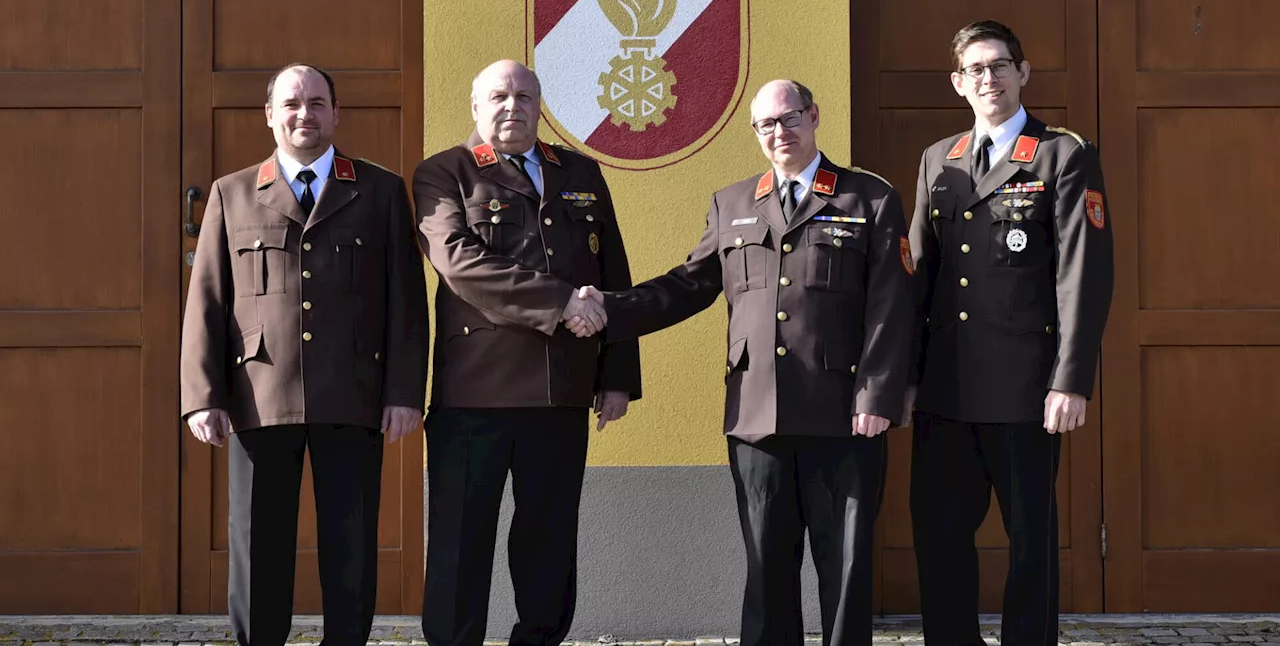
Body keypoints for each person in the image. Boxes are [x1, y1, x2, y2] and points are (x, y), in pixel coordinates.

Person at [578, 79, 913, 646]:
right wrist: (609, 309)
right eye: (766, 125)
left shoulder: (868, 199)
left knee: (846, 569)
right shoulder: (732, 202)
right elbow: (689, 286)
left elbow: (891, 306)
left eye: (789, 119)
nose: (779, 133)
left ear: (813, 115)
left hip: (843, 417)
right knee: (765, 566)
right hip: (756, 418)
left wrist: (877, 397)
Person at [180, 63, 429, 646]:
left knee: (351, 546)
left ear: (336, 113)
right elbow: (208, 301)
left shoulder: (381, 190)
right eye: (291, 104)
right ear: (269, 114)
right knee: (259, 547)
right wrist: (202, 398)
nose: (304, 115)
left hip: (354, 394)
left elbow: (406, 305)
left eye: (317, 103)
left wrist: (403, 394)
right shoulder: (233, 192)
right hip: (259, 396)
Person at [412, 59, 641, 646]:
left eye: (524, 96)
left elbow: (611, 268)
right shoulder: (445, 173)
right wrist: (562, 302)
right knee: (462, 545)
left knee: (548, 545)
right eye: (498, 96)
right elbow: (462, 264)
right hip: (475, 396)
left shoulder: (582, 171)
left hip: (563, 389)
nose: (512, 106)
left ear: (541, 107)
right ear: (475, 106)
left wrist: (616, 375)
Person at [906, 20, 1114, 646]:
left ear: (1023, 74)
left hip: (1027, 392)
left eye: (999, 66)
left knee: (1031, 542)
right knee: (939, 535)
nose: (988, 78)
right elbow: (917, 276)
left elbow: (1085, 275)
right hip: (945, 390)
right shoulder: (937, 160)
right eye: (975, 69)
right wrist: (903, 377)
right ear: (957, 82)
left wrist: (1070, 380)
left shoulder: (1063, 155)